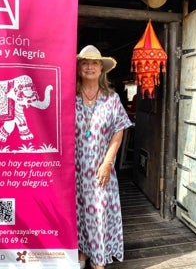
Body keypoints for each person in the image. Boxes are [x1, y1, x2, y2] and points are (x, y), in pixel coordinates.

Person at [75, 45, 132, 269]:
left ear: (101, 69)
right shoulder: (69, 95)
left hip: (100, 167)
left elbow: (119, 130)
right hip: (75, 168)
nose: (90, 67)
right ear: (79, 67)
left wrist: (108, 163)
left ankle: (98, 259)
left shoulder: (112, 98)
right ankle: (81, 252)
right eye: (85, 62)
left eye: (94, 63)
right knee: (78, 212)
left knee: (98, 213)